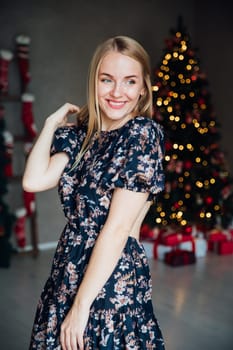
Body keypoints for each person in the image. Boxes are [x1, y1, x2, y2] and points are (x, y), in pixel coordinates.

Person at [23, 35, 165, 350]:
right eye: (107, 80)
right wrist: (49, 124)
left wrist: (80, 306)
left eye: (130, 81)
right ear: (94, 82)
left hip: (110, 276)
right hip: (68, 267)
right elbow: (33, 181)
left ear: (143, 88)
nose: (117, 92)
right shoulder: (80, 136)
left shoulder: (142, 136)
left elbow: (116, 229)